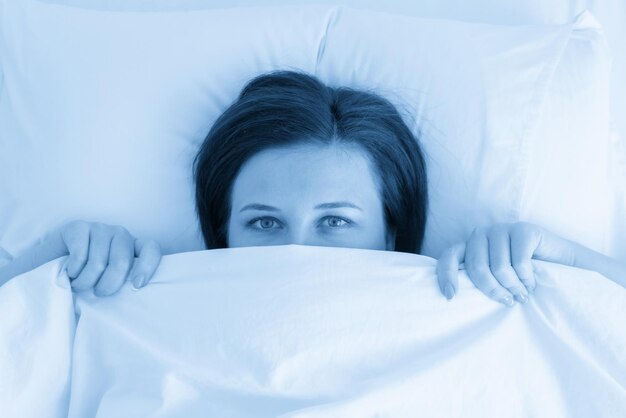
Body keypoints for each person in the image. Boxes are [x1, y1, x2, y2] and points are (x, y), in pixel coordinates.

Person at [1, 71, 624, 302]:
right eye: (264, 222)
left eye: (336, 221)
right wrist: (48, 265)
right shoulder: (137, 299)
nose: (298, 250)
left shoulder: (475, 304)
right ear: (222, 232)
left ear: (391, 235)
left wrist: (571, 262)